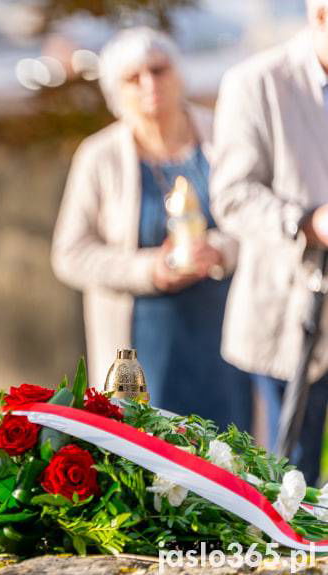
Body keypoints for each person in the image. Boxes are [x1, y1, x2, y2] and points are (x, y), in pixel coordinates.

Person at [51, 27, 251, 431]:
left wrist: (220, 250)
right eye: (133, 77)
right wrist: (149, 269)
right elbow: (69, 255)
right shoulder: (98, 156)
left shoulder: (225, 135)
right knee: (152, 460)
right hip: (144, 343)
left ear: (179, 74)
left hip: (227, 332)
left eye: (159, 70)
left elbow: (256, 220)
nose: (149, 84)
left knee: (237, 458)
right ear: (113, 91)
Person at [211, 0, 328, 485]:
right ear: (319, 14)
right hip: (292, 311)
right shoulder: (254, 82)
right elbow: (231, 197)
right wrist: (308, 221)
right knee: (290, 477)